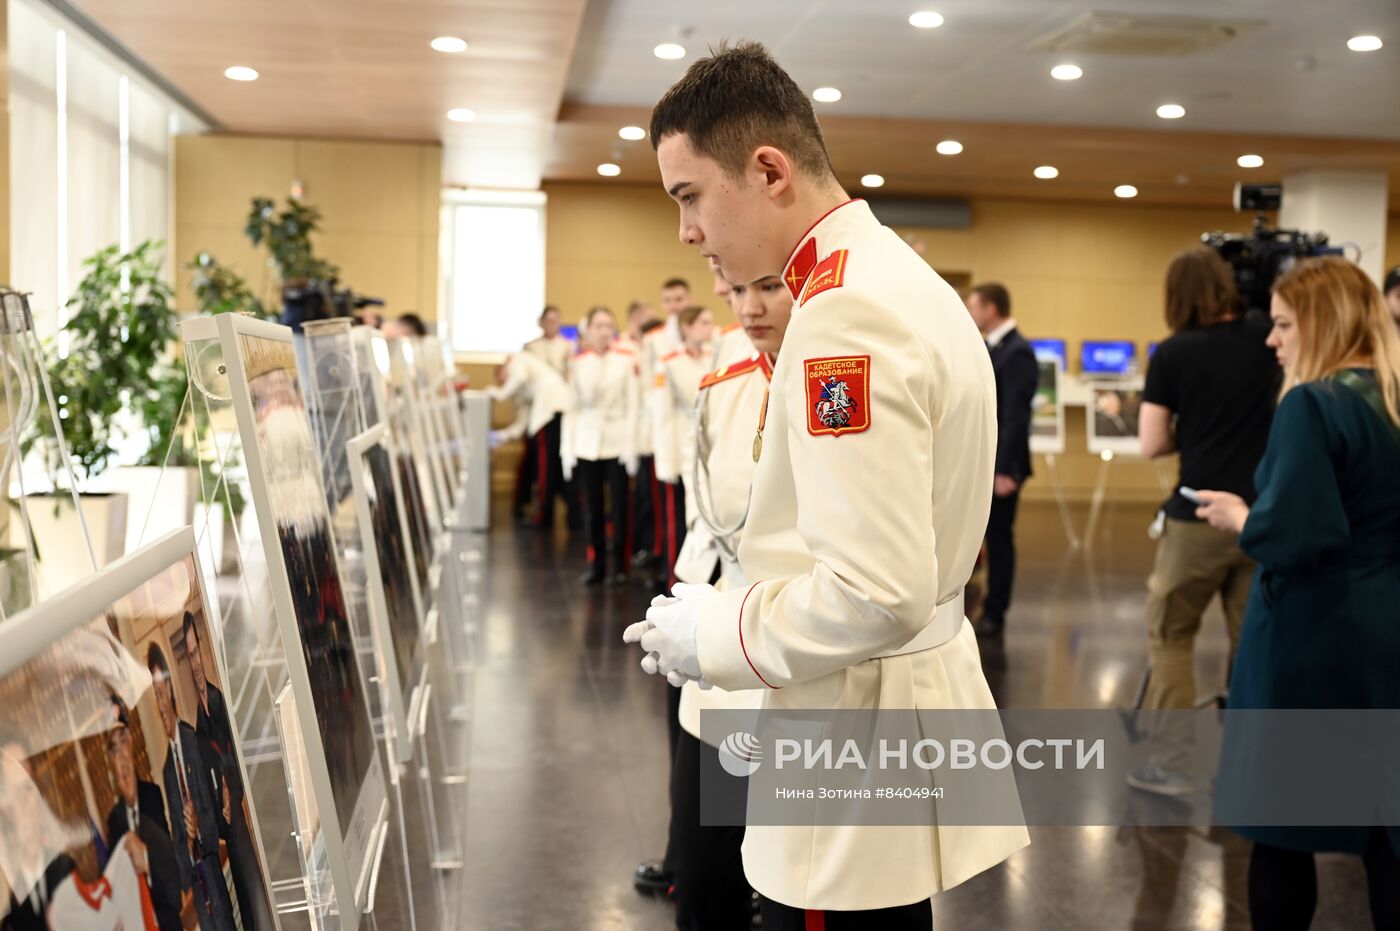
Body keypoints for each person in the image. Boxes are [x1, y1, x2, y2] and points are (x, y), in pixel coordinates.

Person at [626, 41, 1028, 928]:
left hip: (851, 727)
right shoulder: (890, 278)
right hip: (878, 713)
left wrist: (714, 630)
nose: (688, 231)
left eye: (689, 195)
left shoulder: (845, 311)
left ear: (768, 170)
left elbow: (874, 591)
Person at [1196, 256, 1400, 930]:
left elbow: (1297, 533)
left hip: (1314, 637)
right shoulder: (1390, 398)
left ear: (1319, 323)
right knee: (1381, 825)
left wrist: (1242, 517)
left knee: (1280, 826)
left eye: (1283, 323)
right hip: (1386, 633)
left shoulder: (1314, 403)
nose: (1270, 338)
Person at [1127, 246, 1279, 795]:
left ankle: (1173, 763)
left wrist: (1192, 434)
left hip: (1195, 518)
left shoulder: (1174, 353)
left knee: (1171, 635)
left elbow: (1151, 443)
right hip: (1261, 516)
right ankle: (1250, 767)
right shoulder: (1268, 339)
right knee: (1252, 643)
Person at [185, 614, 273, 931]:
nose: (194, 661)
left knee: (256, 893)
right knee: (247, 902)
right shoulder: (196, 724)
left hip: (238, 820)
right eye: (189, 654)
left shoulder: (219, 701)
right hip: (228, 830)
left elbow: (235, 755)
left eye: (197, 652)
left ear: (203, 653)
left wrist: (229, 787)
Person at [964, 282, 1038, 638]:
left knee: (999, 538)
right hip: (989, 465)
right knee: (987, 534)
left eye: (974, 306)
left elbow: (1014, 416)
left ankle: (996, 610)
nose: (970, 312)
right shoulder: (996, 348)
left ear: (991, 308)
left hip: (1002, 468)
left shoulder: (1017, 351)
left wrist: (1005, 469)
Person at [147, 643, 238, 931]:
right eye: (155, 697)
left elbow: (211, 808)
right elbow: (176, 835)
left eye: (162, 693)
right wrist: (186, 843)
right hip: (196, 885)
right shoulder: (165, 770)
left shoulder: (192, 742)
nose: (160, 705)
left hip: (212, 866)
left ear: (171, 690)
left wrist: (198, 826)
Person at [562, 306, 639, 585]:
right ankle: (596, 564)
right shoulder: (578, 363)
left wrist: (631, 446)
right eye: (598, 325)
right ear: (587, 330)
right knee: (591, 508)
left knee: (619, 507)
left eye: (609, 325)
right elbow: (570, 408)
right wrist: (566, 450)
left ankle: (620, 566)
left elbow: (633, 405)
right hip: (586, 442)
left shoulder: (626, 360)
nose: (604, 331)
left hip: (617, 441)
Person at [104, 695, 184, 931]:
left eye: (124, 742)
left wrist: (146, 860)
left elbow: (170, 875)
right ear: (109, 761)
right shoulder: (114, 822)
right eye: (114, 750)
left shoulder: (152, 797)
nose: (122, 757)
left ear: (132, 744)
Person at [653, 305, 717, 590]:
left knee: (706, 518)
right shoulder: (669, 361)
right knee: (677, 520)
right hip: (681, 447)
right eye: (703, 322)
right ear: (687, 327)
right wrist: (665, 461)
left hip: (710, 446)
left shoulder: (716, 356)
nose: (710, 327)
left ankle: (702, 581)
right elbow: (663, 414)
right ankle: (674, 582)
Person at [491, 350, 575, 530]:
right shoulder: (525, 386)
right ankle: (563, 515)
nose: (505, 383)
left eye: (503, 379)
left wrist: (498, 394)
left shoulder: (517, 361)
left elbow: (518, 378)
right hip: (552, 412)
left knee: (546, 469)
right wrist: (501, 435)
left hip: (550, 412)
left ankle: (544, 518)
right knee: (553, 469)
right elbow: (523, 419)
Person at [524, 305, 573, 378]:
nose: (551, 325)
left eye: (554, 321)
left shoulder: (567, 346)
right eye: (548, 321)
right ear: (542, 322)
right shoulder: (531, 347)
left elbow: (570, 372)